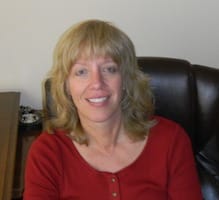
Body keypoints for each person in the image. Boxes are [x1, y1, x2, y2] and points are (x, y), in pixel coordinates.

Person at [23, 19, 202, 200]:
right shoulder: (48, 153)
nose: (97, 83)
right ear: (66, 85)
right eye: (81, 72)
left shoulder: (171, 141)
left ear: (126, 79)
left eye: (109, 69)